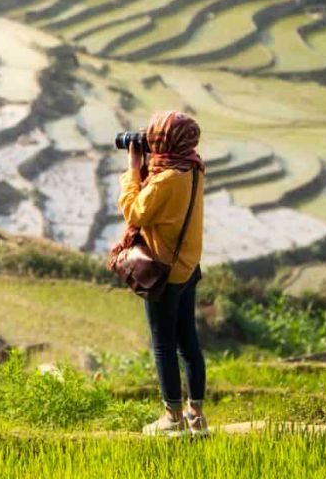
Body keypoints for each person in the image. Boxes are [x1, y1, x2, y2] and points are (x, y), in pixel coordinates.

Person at [117, 110, 207, 437]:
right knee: (188, 342)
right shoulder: (193, 168)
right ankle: (196, 416)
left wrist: (132, 168)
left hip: (164, 273)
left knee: (163, 346)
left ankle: (172, 419)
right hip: (188, 268)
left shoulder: (167, 179)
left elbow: (135, 211)